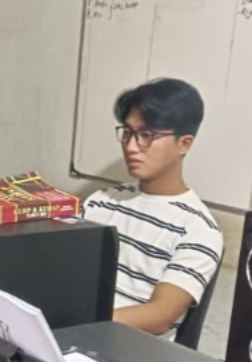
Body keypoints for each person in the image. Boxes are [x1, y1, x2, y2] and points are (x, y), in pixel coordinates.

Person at [83, 78, 224, 341]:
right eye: (128, 132)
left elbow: (160, 316)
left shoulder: (198, 230)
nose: (130, 146)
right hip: (72, 336)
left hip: (129, 349)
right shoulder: (101, 201)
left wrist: (79, 321)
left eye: (147, 135)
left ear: (184, 144)